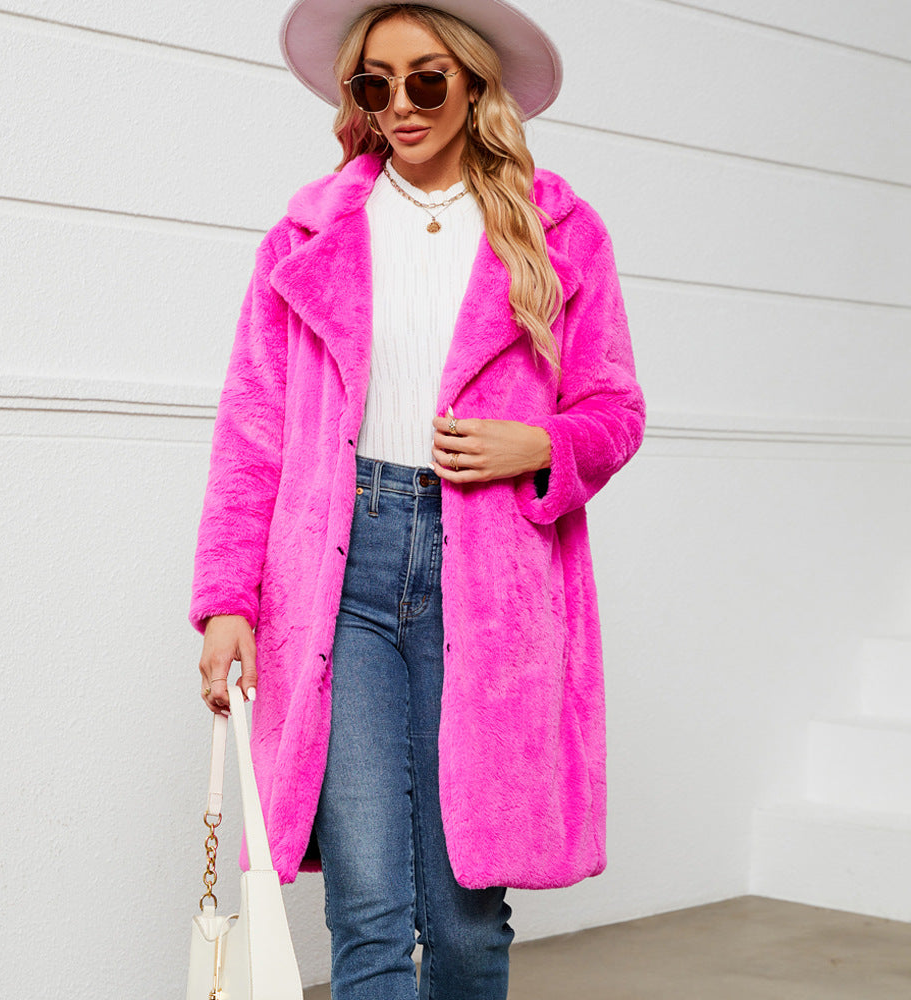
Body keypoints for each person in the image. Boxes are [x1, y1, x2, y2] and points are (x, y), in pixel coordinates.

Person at [191, 1, 645, 997]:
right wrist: (228, 599)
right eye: (374, 83)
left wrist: (542, 443)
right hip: (336, 573)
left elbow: (614, 408)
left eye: (426, 79)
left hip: (490, 577)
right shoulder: (307, 236)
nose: (400, 105)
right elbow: (251, 433)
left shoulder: (557, 228)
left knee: (467, 921)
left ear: (475, 83)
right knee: (366, 911)